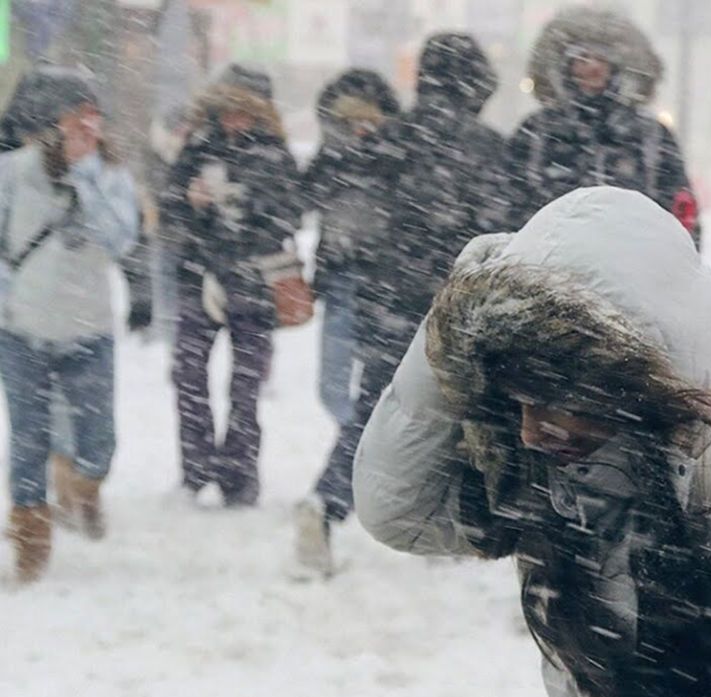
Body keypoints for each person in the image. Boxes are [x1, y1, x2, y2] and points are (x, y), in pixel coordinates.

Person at [354, 187, 711, 697]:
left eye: (556, 401)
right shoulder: (548, 482)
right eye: (517, 403)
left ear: (634, 386)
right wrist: (459, 321)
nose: (530, 431)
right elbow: (396, 509)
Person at [295, 34, 506, 577]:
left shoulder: (389, 140)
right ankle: (457, 524)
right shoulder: (487, 147)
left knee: (375, 408)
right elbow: (506, 230)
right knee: (469, 414)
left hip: (388, 299)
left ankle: (325, 502)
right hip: (461, 302)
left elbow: (345, 210)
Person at [0, 67, 139, 582]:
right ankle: (30, 534)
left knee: (99, 439)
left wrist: (86, 176)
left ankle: (83, 484)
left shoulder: (111, 176)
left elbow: (120, 240)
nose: (85, 128)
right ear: (47, 125)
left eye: (91, 119)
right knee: (28, 438)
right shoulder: (13, 172)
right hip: (22, 331)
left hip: (90, 327)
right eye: (73, 120)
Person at [160, 65, 301, 507]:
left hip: (252, 287)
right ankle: (196, 470)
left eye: (244, 112)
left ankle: (239, 476)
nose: (234, 120)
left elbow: (288, 216)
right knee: (188, 376)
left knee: (245, 387)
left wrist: (243, 203)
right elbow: (168, 207)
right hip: (198, 279)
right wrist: (190, 200)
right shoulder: (198, 147)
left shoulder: (275, 155)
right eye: (228, 110)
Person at [507, 6, 701, 245]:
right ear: (565, 66)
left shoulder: (651, 136)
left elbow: (681, 212)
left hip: (630, 268)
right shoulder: (537, 133)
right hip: (547, 272)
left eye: (602, 58)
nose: (593, 67)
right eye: (582, 58)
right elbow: (509, 204)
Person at [301, 68, 402, 429]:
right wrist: (339, 154)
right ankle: (353, 443)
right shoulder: (330, 157)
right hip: (339, 277)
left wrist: (376, 149)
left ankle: (352, 454)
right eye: (350, 119)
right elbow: (303, 197)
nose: (360, 127)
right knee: (332, 386)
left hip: (387, 280)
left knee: (383, 381)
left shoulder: (397, 155)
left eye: (367, 118)